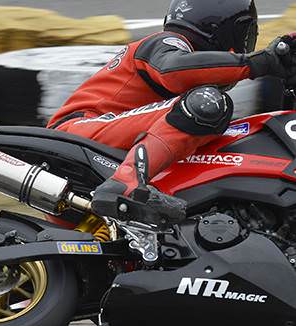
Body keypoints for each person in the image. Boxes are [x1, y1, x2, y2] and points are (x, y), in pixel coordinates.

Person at [48, 0, 296, 226]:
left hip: (92, 162)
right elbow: (171, 71)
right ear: (227, 30)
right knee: (207, 103)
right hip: (78, 129)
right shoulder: (166, 43)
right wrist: (257, 62)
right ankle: (126, 183)